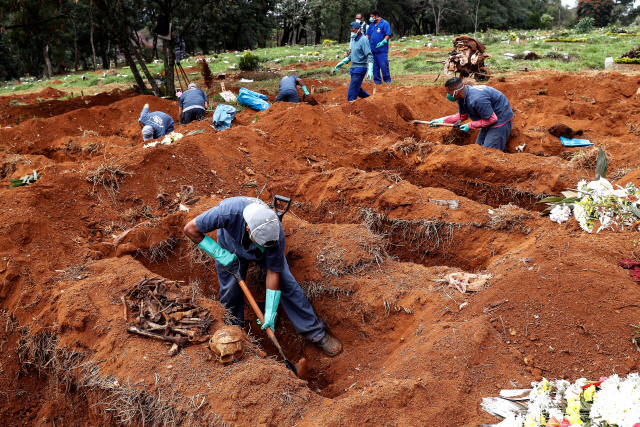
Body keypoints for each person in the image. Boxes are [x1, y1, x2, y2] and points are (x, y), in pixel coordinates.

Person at [183, 197, 342, 357]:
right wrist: (222, 255)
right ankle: (235, 336)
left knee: (287, 283)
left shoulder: (274, 234)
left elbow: (273, 272)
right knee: (231, 289)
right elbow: (190, 229)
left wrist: (270, 312)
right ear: (248, 228)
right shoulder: (226, 212)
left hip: (265, 251)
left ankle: (315, 333)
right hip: (229, 249)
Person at [430, 77, 514, 151]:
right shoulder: (461, 97)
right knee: (477, 148)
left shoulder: (477, 99)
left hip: (500, 119)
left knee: (489, 153)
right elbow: (462, 116)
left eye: (449, 92)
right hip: (488, 116)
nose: (448, 95)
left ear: (456, 92)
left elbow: (492, 119)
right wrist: (442, 121)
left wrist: (470, 125)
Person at [333, 22, 373, 102]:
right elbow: (352, 54)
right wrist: (342, 62)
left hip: (360, 68)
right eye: (351, 30)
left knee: (352, 91)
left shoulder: (363, 40)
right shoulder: (354, 40)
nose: (352, 32)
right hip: (353, 68)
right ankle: (371, 99)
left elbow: (369, 55)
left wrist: (370, 69)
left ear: (359, 30)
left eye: (354, 30)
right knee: (357, 89)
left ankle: (351, 106)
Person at [366, 9, 392, 84]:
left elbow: (388, 34)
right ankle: (377, 81)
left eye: (372, 16)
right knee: (374, 67)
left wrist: (384, 41)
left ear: (377, 16)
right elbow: (367, 35)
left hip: (382, 50)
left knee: (383, 65)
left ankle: (387, 80)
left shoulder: (385, 23)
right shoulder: (371, 25)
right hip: (372, 50)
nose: (371, 18)